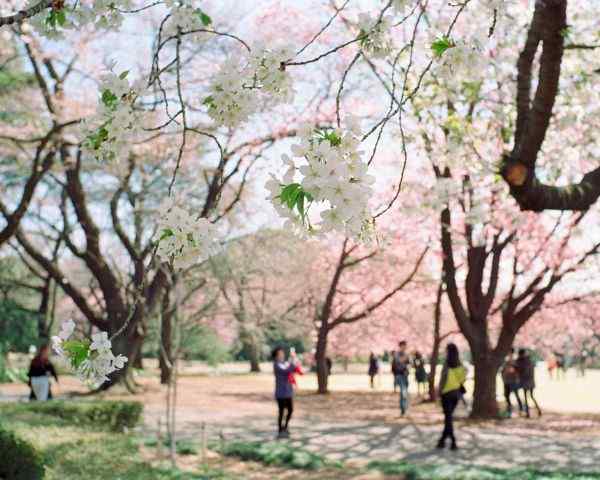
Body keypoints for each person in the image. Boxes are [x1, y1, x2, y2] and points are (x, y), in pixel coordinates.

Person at [437, 343, 466, 451]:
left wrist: (439, 392)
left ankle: (453, 441)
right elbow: (462, 379)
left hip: (446, 394)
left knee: (448, 418)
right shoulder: (460, 365)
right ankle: (442, 440)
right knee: (448, 418)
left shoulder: (446, 364)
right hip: (456, 394)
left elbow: (442, 380)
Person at [272, 346, 298, 438]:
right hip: (281, 393)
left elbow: (293, 368)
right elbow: (286, 370)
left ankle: (285, 426)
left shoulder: (284, 363)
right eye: (280, 353)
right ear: (276, 356)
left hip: (288, 391)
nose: (282, 355)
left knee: (290, 410)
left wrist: (293, 359)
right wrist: (292, 362)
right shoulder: (276, 364)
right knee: (281, 411)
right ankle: (280, 429)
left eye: (282, 353)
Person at [516, 348, 542, 418]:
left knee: (527, 397)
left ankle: (528, 412)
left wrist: (519, 371)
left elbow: (524, 372)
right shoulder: (529, 361)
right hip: (530, 381)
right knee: (531, 396)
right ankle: (537, 410)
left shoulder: (524, 362)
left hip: (526, 381)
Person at [501, 348, 523, 417]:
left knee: (516, 395)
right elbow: (503, 370)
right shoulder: (506, 360)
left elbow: (518, 370)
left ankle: (521, 409)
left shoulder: (515, 360)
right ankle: (509, 410)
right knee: (506, 396)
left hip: (513, 381)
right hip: (506, 381)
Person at [393, 341, 410, 415]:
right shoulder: (397, 354)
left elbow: (409, 363)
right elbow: (399, 361)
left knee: (405, 392)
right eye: (403, 346)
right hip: (399, 375)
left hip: (405, 375)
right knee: (403, 392)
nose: (404, 347)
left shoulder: (406, 354)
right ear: (400, 346)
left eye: (405, 346)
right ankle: (403, 409)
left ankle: (404, 407)